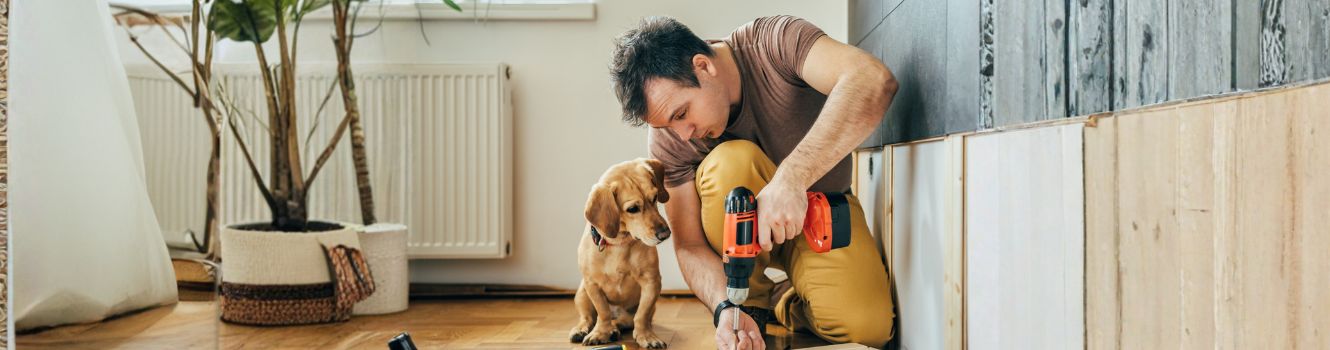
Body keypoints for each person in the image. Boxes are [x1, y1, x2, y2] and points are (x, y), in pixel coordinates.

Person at [608, 15, 900, 349]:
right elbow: (689, 245)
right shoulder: (671, 137)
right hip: (740, 250)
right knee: (732, 162)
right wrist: (723, 305)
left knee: (867, 328)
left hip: (819, 209)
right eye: (668, 126)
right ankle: (749, 305)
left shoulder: (775, 42)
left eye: (681, 114)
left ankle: (784, 301)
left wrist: (791, 178)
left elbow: (873, 80)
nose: (683, 134)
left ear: (703, 65)